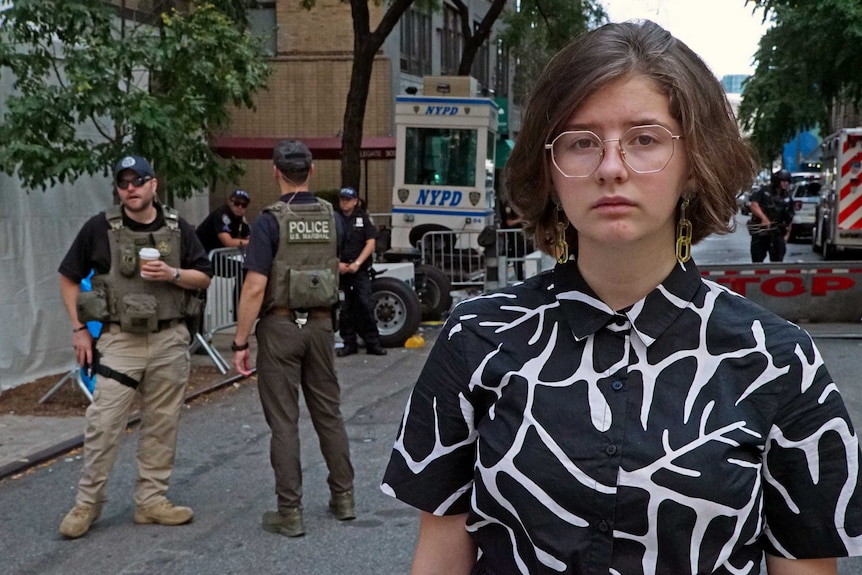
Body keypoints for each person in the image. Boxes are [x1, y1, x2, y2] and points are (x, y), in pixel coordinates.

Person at [381, 21, 862, 575]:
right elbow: (439, 557)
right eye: (582, 142)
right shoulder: (475, 341)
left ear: (692, 165)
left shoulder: (779, 363)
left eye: (645, 138)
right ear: (550, 169)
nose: (612, 167)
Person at [57, 155, 212, 539]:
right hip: (120, 341)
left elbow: (204, 277)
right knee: (103, 425)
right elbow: (68, 277)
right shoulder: (99, 228)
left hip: (168, 338)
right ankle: (87, 504)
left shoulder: (178, 228)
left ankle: (151, 501)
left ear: (153, 185)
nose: (131, 188)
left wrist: (172, 274)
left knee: (162, 425)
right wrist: (79, 329)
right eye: (123, 182)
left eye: (138, 181)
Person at [231, 139, 356, 538]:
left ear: (275, 171)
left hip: (281, 326)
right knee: (329, 414)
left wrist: (239, 341)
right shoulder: (332, 218)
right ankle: (344, 498)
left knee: (284, 421)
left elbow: (254, 287)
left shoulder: (269, 222)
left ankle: (290, 513)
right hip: (321, 326)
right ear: (312, 171)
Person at [335, 186, 387, 357]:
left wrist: (357, 263)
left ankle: (373, 343)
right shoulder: (334, 219)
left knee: (365, 305)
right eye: (343, 199)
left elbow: (370, 242)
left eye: (348, 199)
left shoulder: (362, 218)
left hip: (359, 271)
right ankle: (349, 343)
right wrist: (337, 264)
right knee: (345, 310)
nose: (345, 202)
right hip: (341, 271)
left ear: (355, 201)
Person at [749, 169, 794, 262]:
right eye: (784, 181)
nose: (786, 184)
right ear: (777, 181)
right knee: (757, 260)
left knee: (778, 261)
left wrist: (787, 235)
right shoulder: (764, 191)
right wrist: (764, 218)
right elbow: (754, 205)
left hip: (778, 233)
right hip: (762, 232)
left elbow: (790, 217)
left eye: (787, 182)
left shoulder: (787, 197)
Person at [195, 189, 252, 253]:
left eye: (244, 205)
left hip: (217, 255)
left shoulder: (240, 218)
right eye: (237, 203)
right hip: (201, 253)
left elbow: (249, 235)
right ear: (230, 202)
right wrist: (250, 242)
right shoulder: (221, 215)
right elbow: (228, 242)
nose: (240, 207)